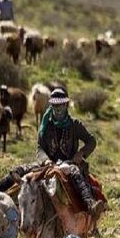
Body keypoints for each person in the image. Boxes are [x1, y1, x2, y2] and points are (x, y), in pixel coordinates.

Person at [35, 88, 105, 220]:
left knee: (75, 174)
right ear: (52, 106)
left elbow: (91, 141)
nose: (58, 109)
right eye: (55, 106)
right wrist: (45, 160)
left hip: (70, 164)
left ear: (66, 105)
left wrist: (81, 153)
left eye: (61, 105)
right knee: (24, 172)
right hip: (49, 164)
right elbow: (40, 147)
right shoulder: (46, 126)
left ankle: (91, 205)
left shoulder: (74, 124)